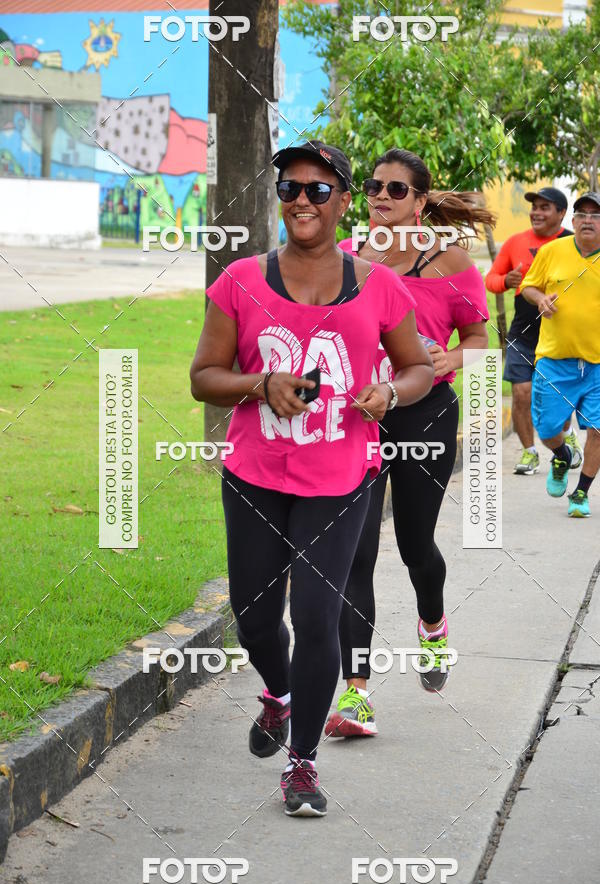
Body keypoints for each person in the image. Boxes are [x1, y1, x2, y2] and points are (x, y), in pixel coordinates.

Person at [189, 141, 433, 815]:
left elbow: (416, 367)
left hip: (341, 477)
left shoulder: (379, 286)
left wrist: (389, 391)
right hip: (255, 475)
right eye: (290, 189)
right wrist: (259, 383)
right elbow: (203, 378)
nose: (301, 200)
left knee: (317, 615)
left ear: (344, 200)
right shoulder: (240, 280)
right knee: (256, 618)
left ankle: (301, 764)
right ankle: (280, 693)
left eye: (318, 190)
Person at [325, 148, 491, 739]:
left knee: (415, 545)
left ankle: (432, 621)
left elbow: (477, 334)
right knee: (355, 553)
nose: (381, 197)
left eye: (397, 190)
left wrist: (455, 355)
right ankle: (357, 694)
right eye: (374, 187)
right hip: (360, 417)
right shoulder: (344, 258)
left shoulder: (449, 263)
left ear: (421, 202)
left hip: (425, 415)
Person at [485, 187, 582, 475]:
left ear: (561, 214)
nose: (536, 212)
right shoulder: (515, 242)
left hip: (561, 335)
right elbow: (490, 279)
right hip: (523, 333)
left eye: (545, 207)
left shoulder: (573, 243)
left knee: (558, 395)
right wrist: (506, 280)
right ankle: (529, 452)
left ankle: (565, 436)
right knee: (521, 392)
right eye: (535, 207)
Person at [520, 191, 600, 518]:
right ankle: (561, 454)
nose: (587, 221)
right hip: (555, 361)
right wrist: (539, 299)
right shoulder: (552, 251)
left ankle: (580, 492)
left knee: (597, 431)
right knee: (548, 429)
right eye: (581, 214)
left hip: (597, 365)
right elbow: (528, 286)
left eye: (595, 215)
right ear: (572, 220)